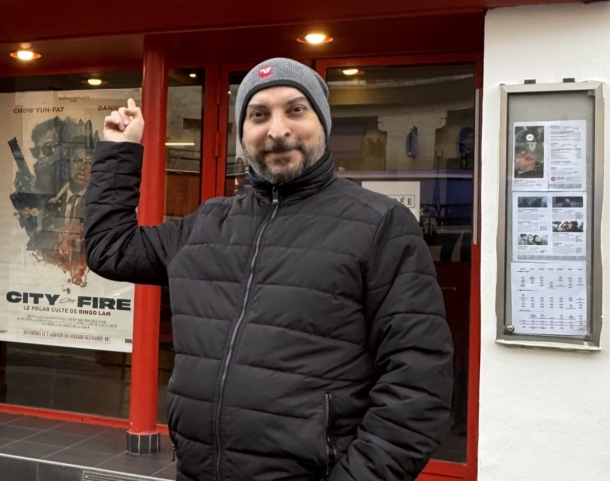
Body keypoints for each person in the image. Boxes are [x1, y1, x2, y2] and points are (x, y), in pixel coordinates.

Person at [85, 58, 453, 481]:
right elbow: (110, 248)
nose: (277, 130)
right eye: (258, 115)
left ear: (323, 123)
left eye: (296, 110)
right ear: (242, 134)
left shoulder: (379, 226)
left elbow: (417, 384)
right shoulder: (207, 225)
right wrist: (119, 151)